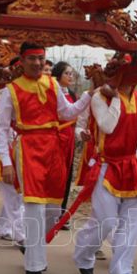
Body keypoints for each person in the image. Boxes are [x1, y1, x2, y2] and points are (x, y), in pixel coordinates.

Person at [0, 43, 92, 274]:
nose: (37, 63)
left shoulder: (53, 85)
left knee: (53, 210)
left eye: (40, 58)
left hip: (53, 149)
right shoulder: (11, 91)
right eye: (31, 59)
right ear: (23, 61)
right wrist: (6, 162)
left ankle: (31, 245)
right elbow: (1, 128)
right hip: (28, 149)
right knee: (35, 209)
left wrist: (90, 93)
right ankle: (35, 266)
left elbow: (68, 112)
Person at [72, 76, 137, 274]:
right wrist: (117, 96)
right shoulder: (100, 96)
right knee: (106, 221)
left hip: (133, 167)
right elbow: (108, 126)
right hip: (107, 166)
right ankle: (84, 252)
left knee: (131, 224)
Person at [0, 56, 23, 243]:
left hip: (26, 147)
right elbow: (1, 127)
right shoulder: (7, 93)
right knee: (13, 192)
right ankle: (22, 237)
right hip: (10, 146)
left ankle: (2, 226)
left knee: (17, 193)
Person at [51, 61, 81, 215]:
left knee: (67, 175)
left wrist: (79, 133)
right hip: (55, 139)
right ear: (58, 75)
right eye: (66, 73)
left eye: (71, 73)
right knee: (54, 174)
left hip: (68, 140)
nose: (70, 76)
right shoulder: (52, 91)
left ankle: (61, 211)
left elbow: (75, 119)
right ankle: (50, 211)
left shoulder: (72, 94)